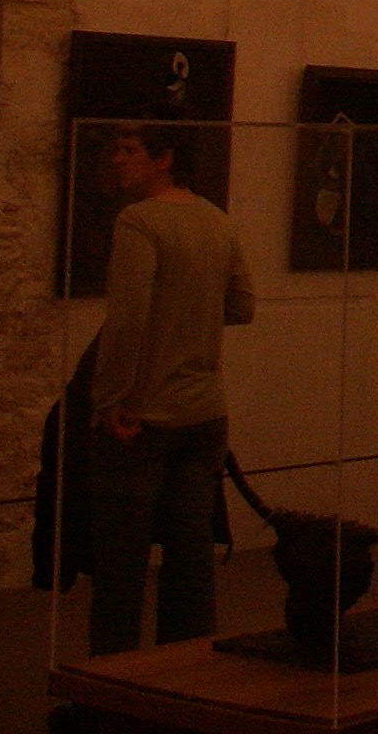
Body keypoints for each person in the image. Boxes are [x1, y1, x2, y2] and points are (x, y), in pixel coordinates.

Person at [88, 114, 255, 655]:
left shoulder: (139, 221)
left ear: (163, 159)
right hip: (204, 413)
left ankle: (113, 680)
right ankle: (187, 674)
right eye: (116, 148)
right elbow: (242, 306)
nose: (118, 158)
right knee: (190, 562)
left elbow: (127, 320)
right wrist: (190, 314)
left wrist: (110, 400)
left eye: (130, 148)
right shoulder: (216, 220)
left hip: (147, 417)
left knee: (121, 565)